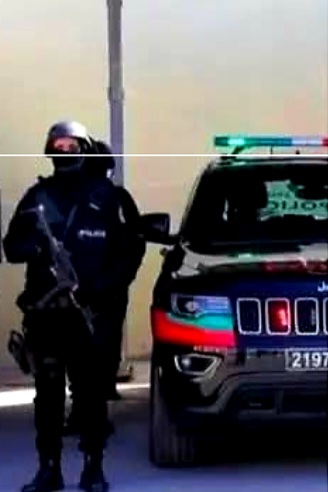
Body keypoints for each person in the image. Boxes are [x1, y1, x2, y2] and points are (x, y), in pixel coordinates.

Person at [4, 120, 145, 492]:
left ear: (84, 150)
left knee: (90, 397)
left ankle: (93, 468)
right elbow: (11, 246)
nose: (65, 152)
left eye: (71, 145)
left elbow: (129, 252)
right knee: (48, 396)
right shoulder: (37, 196)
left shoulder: (107, 198)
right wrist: (36, 246)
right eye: (59, 146)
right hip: (47, 314)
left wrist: (104, 289)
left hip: (90, 314)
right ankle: (48, 469)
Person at [64, 138, 146, 435]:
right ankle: (87, 409)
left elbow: (135, 242)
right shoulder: (72, 199)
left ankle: (91, 410)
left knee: (95, 351)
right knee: (86, 351)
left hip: (103, 290)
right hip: (83, 290)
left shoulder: (114, 200)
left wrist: (116, 281)